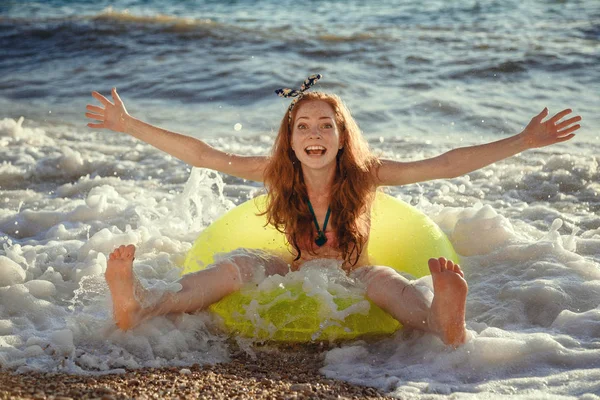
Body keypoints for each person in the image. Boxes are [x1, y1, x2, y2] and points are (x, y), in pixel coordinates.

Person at [85, 75, 581, 347]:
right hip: (292, 267)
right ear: (290, 138)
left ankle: (441, 320)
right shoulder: (277, 172)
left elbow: (448, 165)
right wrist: (128, 125)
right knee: (237, 266)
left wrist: (525, 140)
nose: (315, 135)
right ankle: (140, 305)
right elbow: (203, 154)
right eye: (304, 127)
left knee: (385, 282)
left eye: (326, 126)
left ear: (343, 137)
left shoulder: (366, 174)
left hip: (350, 272)